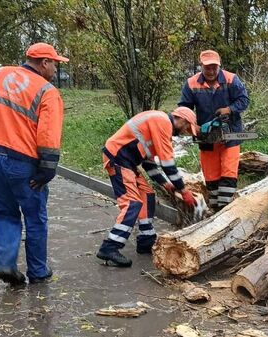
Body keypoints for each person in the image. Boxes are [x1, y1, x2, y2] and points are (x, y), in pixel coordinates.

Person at [0, 42, 68, 286]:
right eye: (55, 64)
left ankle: (7, 265)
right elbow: (48, 135)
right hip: (23, 163)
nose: (55, 69)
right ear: (44, 63)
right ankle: (38, 272)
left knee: (2, 213)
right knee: (35, 217)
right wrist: (47, 170)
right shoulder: (47, 91)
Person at [96, 107, 199, 267]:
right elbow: (168, 165)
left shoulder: (160, 124)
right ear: (182, 120)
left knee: (147, 195)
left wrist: (166, 184)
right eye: (187, 127)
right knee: (132, 203)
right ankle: (110, 247)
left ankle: (146, 240)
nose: (185, 131)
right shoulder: (163, 122)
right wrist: (183, 190)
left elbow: (148, 163)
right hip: (118, 157)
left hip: (127, 160)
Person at [179, 50, 249, 211]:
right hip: (206, 136)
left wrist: (229, 109)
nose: (210, 71)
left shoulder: (231, 79)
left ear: (219, 66)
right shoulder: (191, 83)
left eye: (214, 68)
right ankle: (215, 208)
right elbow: (184, 107)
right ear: (201, 66)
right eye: (207, 68)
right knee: (211, 176)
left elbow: (244, 100)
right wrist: (191, 124)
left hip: (230, 133)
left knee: (229, 173)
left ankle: (224, 210)